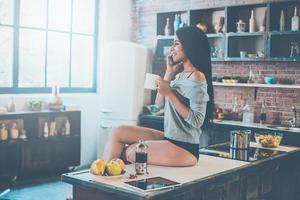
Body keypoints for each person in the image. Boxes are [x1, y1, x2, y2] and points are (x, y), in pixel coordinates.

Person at [103, 26, 214, 167]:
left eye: (177, 43)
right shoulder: (180, 75)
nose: (172, 48)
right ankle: (102, 176)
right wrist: (169, 72)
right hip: (169, 137)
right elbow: (158, 105)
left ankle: (107, 176)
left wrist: (169, 93)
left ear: (190, 45)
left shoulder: (197, 77)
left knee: (131, 152)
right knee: (117, 131)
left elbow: (197, 120)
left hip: (185, 147)